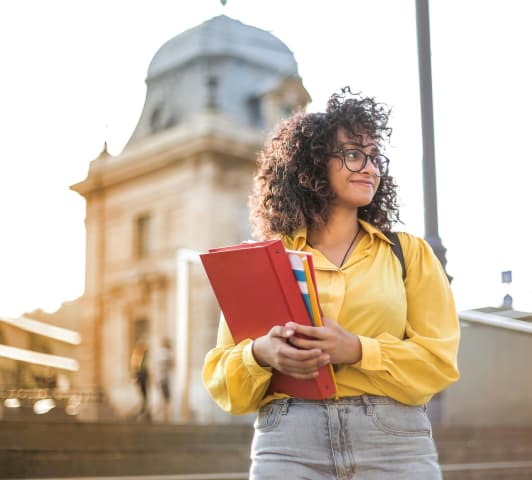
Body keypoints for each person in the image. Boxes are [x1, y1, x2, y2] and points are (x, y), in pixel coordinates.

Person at [202, 87, 460, 479]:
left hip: (393, 441)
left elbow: (439, 362)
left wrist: (357, 350)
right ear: (312, 164)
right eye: (354, 154)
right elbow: (224, 379)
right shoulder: (266, 261)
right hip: (288, 441)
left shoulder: (408, 254)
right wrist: (260, 354)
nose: (370, 167)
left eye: (375, 158)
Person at [153, 337, 174, 422]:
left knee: (160, 396)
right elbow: (172, 365)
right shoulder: (167, 353)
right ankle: (165, 416)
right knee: (166, 398)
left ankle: (159, 415)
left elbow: (154, 365)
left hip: (157, 377)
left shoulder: (157, 353)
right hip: (164, 378)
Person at [130, 340, 150, 421]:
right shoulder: (139, 356)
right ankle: (143, 410)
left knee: (144, 395)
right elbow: (136, 367)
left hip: (142, 376)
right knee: (143, 394)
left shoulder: (139, 356)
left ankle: (143, 409)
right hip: (141, 376)